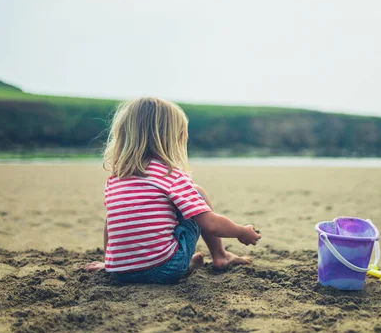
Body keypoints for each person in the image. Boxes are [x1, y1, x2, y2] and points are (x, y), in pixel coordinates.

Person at [83, 97, 261, 283]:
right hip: (164, 269)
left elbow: (110, 224)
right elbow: (211, 224)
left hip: (120, 274)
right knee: (197, 194)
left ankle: (185, 264)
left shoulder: (116, 178)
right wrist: (241, 231)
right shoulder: (170, 175)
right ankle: (220, 256)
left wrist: (109, 263)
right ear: (171, 139)